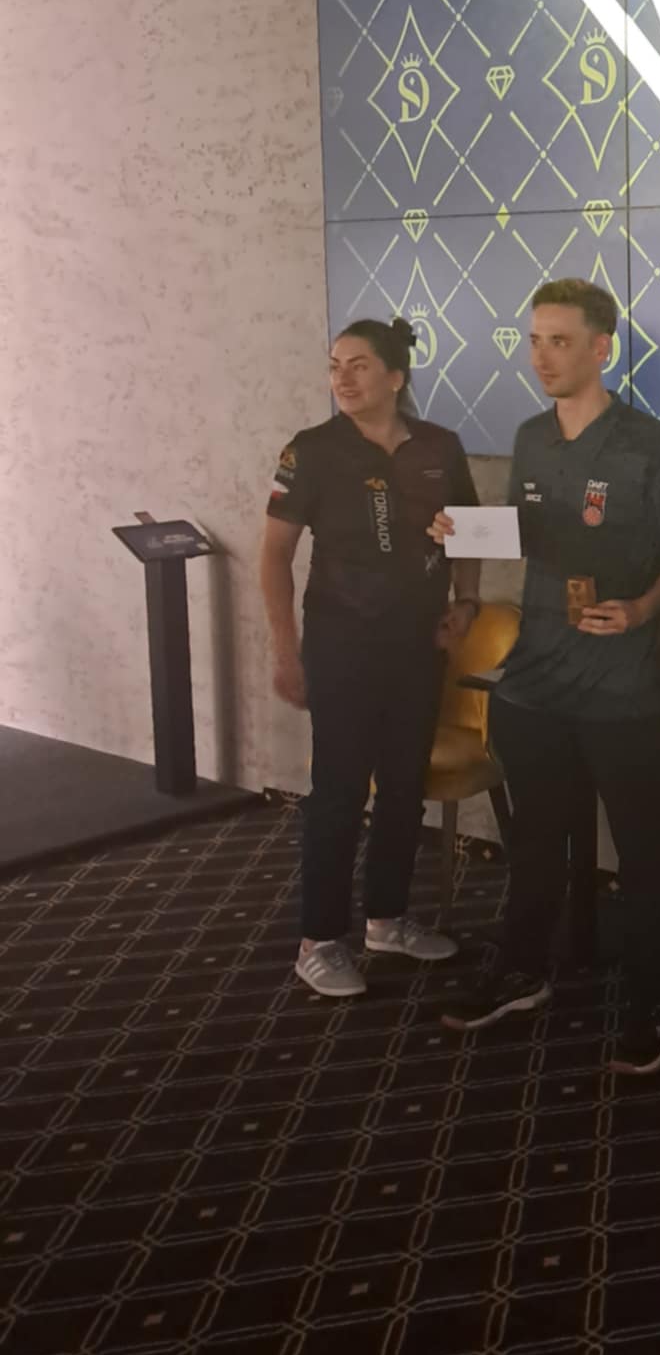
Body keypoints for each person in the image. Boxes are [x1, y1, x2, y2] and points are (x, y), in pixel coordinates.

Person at [430, 279, 660, 1076]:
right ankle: (522, 971)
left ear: (601, 348)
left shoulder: (651, 444)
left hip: (620, 690)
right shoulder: (532, 437)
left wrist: (643, 608)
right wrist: (461, 530)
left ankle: (652, 997)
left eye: (560, 342)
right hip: (534, 683)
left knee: (644, 853)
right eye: (535, 341)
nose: (542, 357)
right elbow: (527, 531)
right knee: (537, 843)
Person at [262, 316, 481, 997]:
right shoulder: (312, 450)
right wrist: (286, 651)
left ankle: (387, 919)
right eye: (335, 365)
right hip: (341, 642)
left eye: (358, 365)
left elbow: (468, 533)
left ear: (395, 376)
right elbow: (273, 557)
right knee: (339, 789)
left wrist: (467, 602)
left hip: (417, 642)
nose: (343, 378)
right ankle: (319, 940)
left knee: (405, 786)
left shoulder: (440, 446)